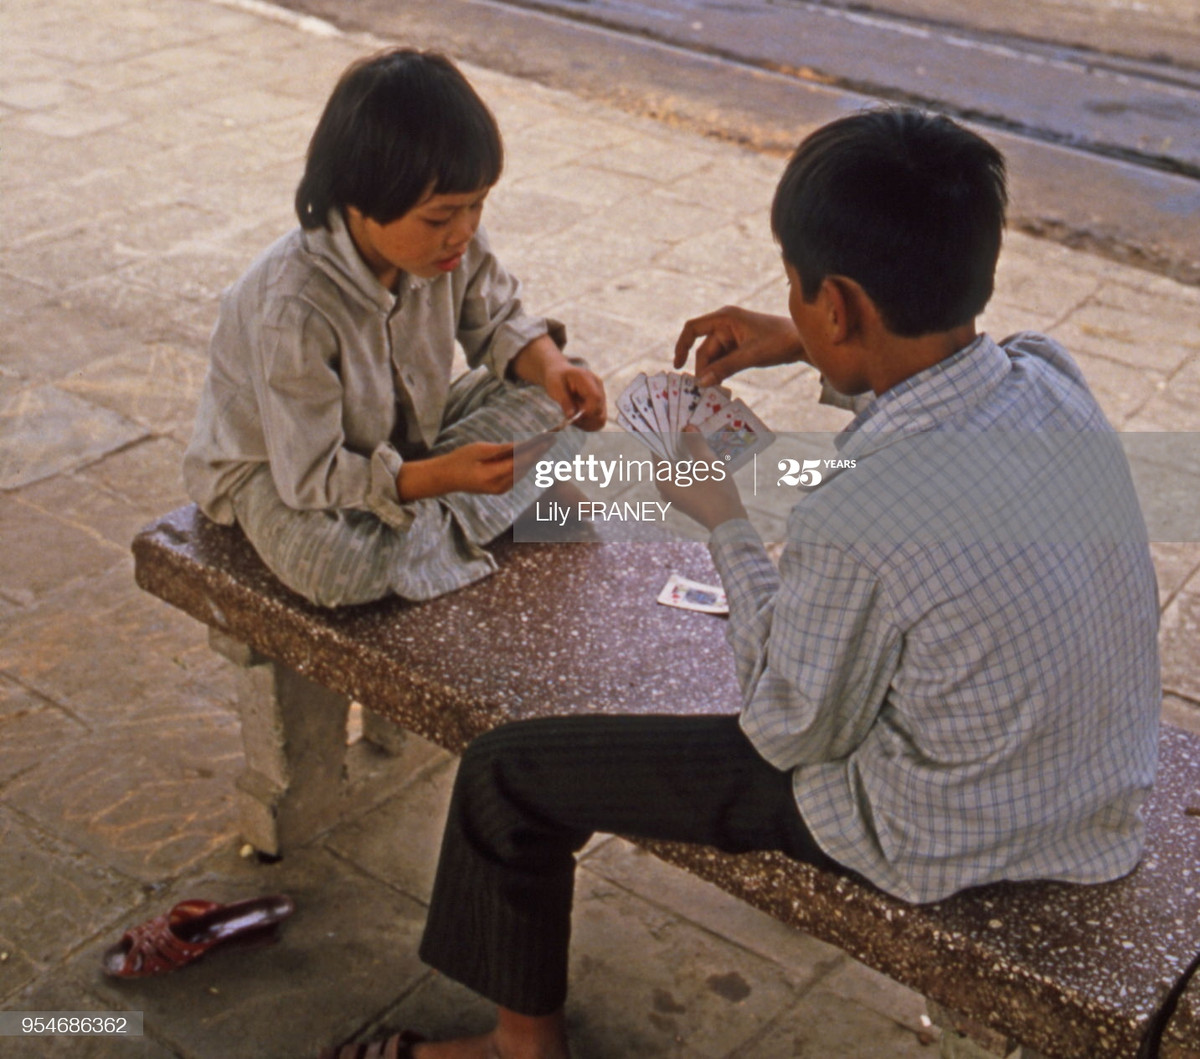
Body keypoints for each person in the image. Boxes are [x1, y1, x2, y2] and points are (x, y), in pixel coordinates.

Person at [328, 108, 1159, 1059]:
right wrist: (805, 339)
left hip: (937, 830)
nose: (795, 309)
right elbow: (937, 358)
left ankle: (521, 1047)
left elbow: (784, 724)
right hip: (1096, 797)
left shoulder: (863, 511)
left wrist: (718, 513)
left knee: (507, 774)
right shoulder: (1053, 377)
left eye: (799, 293)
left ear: (839, 302)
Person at [184, 49, 606, 609]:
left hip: (404, 443)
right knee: (340, 569)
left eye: (476, 206)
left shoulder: (453, 247)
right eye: (438, 218)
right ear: (360, 200)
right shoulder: (292, 308)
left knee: (561, 395)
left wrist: (552, 369)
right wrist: (443, 477)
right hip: (283, 474)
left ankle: (422, 533)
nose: (463, 232)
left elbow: (501, 322)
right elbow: (310, 479)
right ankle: (454, 521)